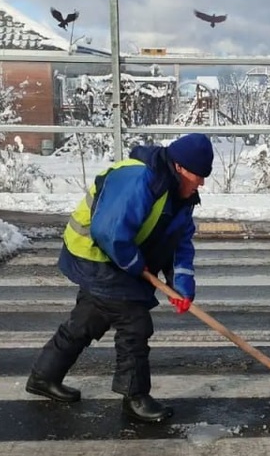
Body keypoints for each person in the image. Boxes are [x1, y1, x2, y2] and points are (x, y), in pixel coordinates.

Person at [25, 132, 214, 423]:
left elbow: (180, 243)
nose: (201, 182)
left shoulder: (181, 196)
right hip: (95, 252)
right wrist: (137, 265)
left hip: (118, 255)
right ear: (178, 167)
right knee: (134, 321)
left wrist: (182, 285)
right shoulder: (141, 180)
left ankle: (43, 375)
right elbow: (108, 232)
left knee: (90, 317)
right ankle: (135, 397)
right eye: (197, 175)